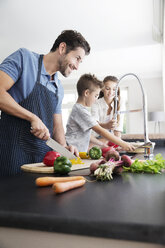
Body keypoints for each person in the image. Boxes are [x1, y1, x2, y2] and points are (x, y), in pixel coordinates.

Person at [0, 30, 90, 176]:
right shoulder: (24, 58)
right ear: (62, 48)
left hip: (41, 162)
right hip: (12, 155)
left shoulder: (58, 88)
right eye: (77, 58)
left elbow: (57, 125)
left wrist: (63, 148)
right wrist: (32, 118)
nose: (77, 66)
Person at [65, 74, 135, 152]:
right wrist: (124, 144)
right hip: (71, 151)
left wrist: (102, 145)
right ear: (87, 93)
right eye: (95, 96)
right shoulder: (81, 111)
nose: (96, 99)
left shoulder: (79, 109)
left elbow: (87, 136)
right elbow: (100, 131)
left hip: (76, 151)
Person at [90, 75, 123, 148]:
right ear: (102, 89)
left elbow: (118, 132)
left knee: (113, 142)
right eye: (108, 88)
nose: (111, 92)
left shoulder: (119, 104)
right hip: (96, 138)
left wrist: (118, 144)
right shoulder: (96, 103)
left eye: (114, 89)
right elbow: (94, 124)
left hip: (112, 139)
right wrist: (106, 125)